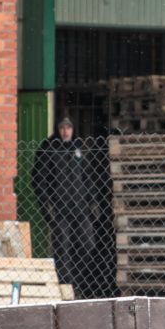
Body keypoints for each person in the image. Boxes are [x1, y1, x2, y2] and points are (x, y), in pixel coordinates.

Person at [31, 117, 98, 298]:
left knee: (87, 244)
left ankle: (76, 282)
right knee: (62, 248)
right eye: (62, 127)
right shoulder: (48, 148)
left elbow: (88, 176)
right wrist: (47, 207)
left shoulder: (79, 147)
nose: (65, 131)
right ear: (57, 129)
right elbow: (39, 181)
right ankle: (65, 288)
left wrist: (92, 202)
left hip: (80, 209)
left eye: (69, 127)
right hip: (59, 210)